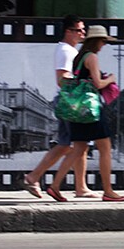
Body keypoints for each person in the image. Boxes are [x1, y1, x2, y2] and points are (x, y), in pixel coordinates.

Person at [46, 25, 124, 202]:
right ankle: (108, 191)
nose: (104, 44)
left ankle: (55, 185)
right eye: (103, 41)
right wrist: (111, 79)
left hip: (77, 111)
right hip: (91, 110)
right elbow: (98, 84)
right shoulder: (92, 57)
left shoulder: (79, 58)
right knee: (105, 149)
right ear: (96, 41)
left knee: (79, 148)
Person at [22, 15, 94, 199]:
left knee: (79, 145)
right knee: (68, 144)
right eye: (79, 30)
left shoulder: (70, 50)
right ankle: (33, 177)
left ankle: (81, 187)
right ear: (68, 32)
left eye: (84, 29)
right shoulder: (65, 51)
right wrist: (86, 83)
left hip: (71, 100)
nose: (83, 33)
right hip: (71, 101)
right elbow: (62, 79)